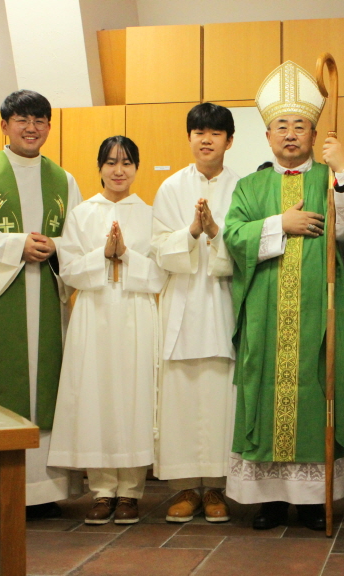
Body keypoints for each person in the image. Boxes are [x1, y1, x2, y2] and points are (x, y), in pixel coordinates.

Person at [222, 60, 344, 531]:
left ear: (313, 133)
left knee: (316, 392)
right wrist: (280, 224)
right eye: (282, 126)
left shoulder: (329, 178)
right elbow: (233, 236)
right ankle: (269, 501)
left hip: (319, 314)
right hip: (265, 315)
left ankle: (312, 501)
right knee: (265, 395)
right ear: (268, 135)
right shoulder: (251, 185)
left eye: (300, 125)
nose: (290, 134)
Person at [0, 90, 82, 519]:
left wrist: (55, 247)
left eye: (39, 120)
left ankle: (43, 490)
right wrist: (16, 246)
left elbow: (79, 240)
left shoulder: (64, 181)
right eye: (22, 119)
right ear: (4, 125)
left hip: (47, 301)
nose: (31, 128)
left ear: (49, 127)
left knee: (46, 388)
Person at [48, 136, 167, 525]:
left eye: (127, 162)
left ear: (136, 168)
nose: (119, 170)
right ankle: (101, 490)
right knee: (95, 395)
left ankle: (131, 491)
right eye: (111, 162)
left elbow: (160, 274)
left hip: (136, 311)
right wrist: (103, 255)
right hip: (94, 313)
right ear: (99, 167)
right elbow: (68, 270)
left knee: (134, 395)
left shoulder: (149, 214)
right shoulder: (82, 214)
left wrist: (126, 255)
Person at [151, 103, 239, 524]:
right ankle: (185, 488)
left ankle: (218, 487)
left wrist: (216, 232)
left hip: (223, 301)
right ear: (189, 137)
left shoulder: (243, 187)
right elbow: (157, 249)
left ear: (229, 141)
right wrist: (190, 232)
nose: (206, 139)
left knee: (221, 395)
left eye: (215, 132)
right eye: (199, 132)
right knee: (182, 396)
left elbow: (248, 247)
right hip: (183, 303)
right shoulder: (170, 188)